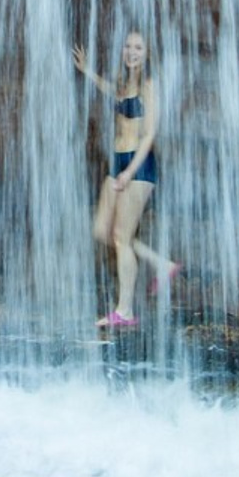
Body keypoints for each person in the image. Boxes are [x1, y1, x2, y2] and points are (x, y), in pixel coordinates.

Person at [73, 31, 180, 327]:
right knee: (101, 231)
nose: (132, 51)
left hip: (139, 165)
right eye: (128, 46)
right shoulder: (123, 84)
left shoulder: (148, 85)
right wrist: (88, 71)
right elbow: (111, 90)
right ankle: (162, 265)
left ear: (147, 54)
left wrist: (130, 171)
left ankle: (125, 311)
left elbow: (149, 133)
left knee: (121, 238)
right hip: (117, 161)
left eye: (138, 47)